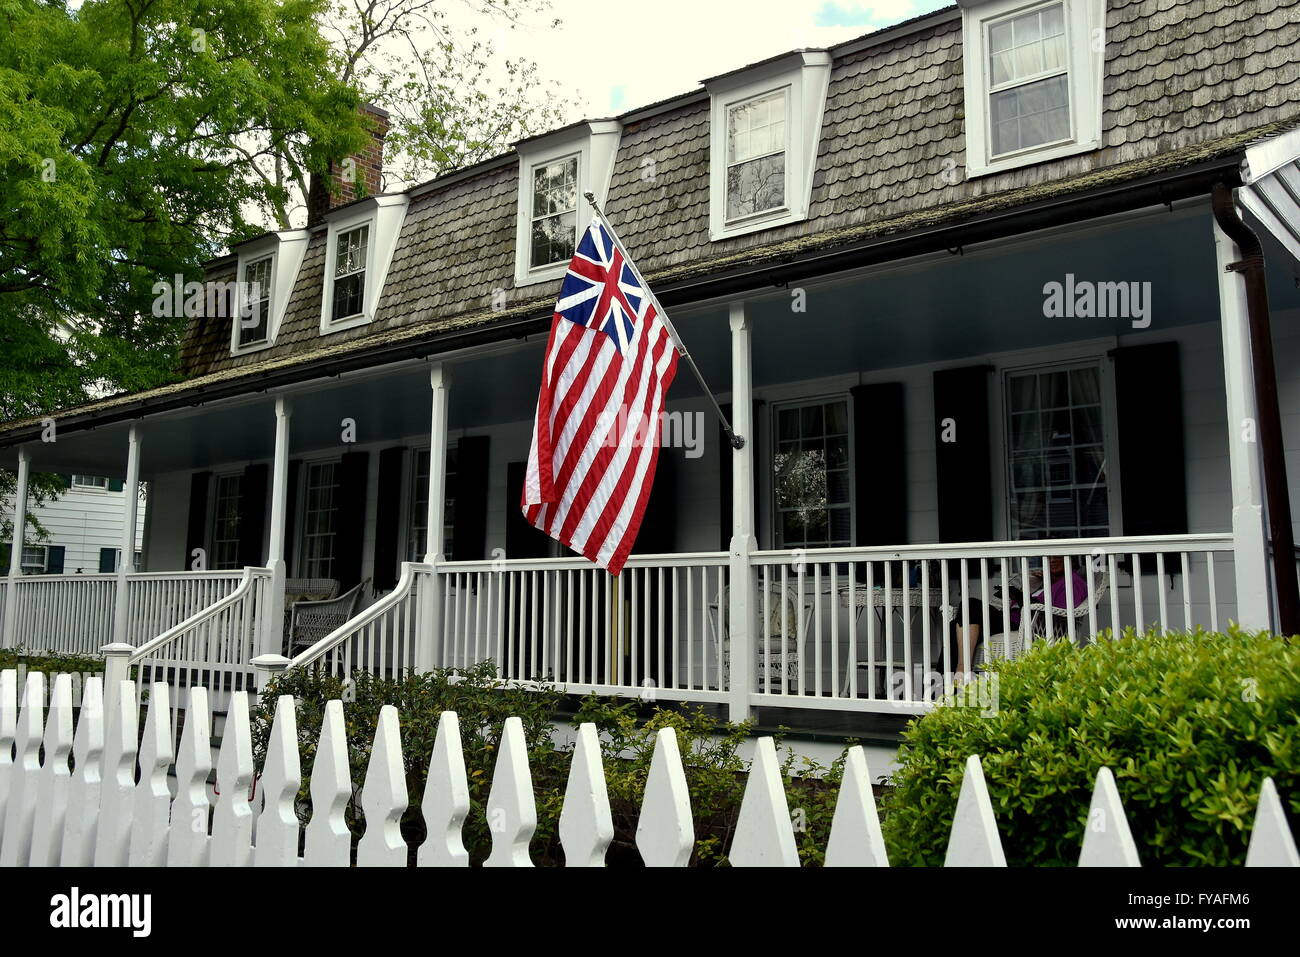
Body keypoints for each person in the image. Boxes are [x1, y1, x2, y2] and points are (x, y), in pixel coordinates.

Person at [949, 556, 1088, 683]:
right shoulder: (1050, 580)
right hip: (1010, 617)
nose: (1052, 560)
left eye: (1058, 556)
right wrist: (1038, 584)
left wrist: (1022, 598)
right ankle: (950, 684)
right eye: (1050, 556)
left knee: (971, 605)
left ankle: (962, 670)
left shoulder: (1073, 582)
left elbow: (1059, 613)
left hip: (1026, 625)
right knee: (956, 623)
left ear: (1071, 559)